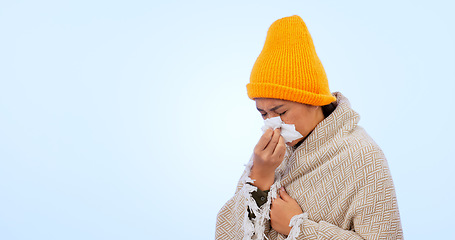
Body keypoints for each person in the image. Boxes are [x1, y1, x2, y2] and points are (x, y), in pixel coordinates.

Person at [215, 15, 403, 240]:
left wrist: (299, 228)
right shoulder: (269, 156)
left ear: (314, 101)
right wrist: (259, 179)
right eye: (263, 113)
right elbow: (226, 234)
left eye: (281, 111)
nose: (273, 124)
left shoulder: (363, 157)